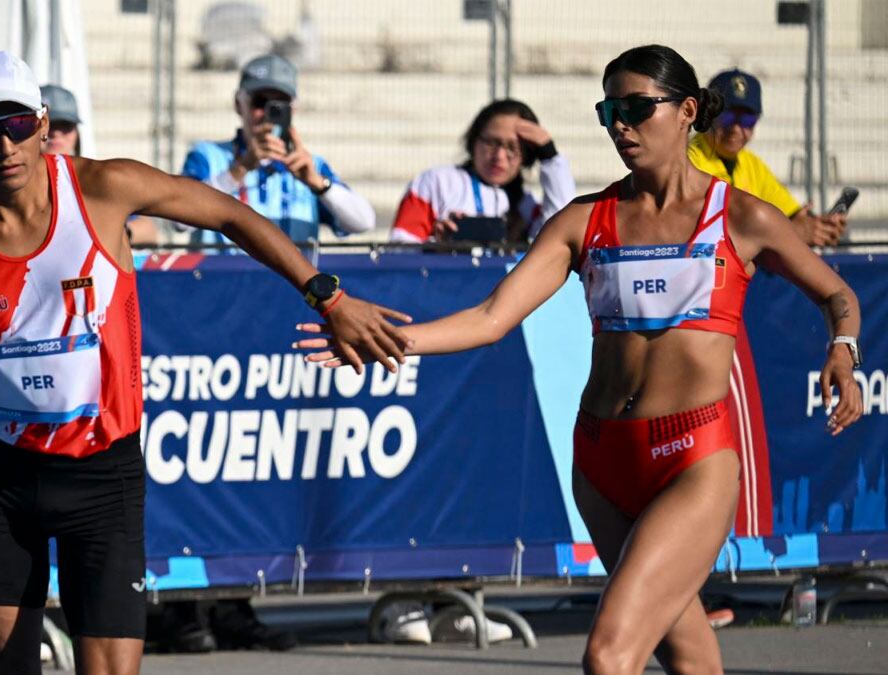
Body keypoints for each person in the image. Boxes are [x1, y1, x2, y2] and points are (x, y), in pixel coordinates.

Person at [0, 51, 410, 675]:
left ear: (44, 127)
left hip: (102, 477)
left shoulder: (104, 189)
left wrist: (329, 295)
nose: (2, 145)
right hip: (3, 480)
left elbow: (229, 213)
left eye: (17, 125)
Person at [296, 44, 864, 673]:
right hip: (601, 461)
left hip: (695, 459)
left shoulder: (741, 215)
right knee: (688, 654)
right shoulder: (584, 219)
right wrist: (384, 341)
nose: (621, 124)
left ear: (687, 111)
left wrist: (844, 349)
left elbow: (837, 294)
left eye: (637, 107)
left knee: (609, 654)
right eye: (609, 110)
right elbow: (491, 318)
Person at [180, 53, 375, 248]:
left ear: (293, 109)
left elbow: (364, 222)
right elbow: (178, 221)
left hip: (290, 279)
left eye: (280, 104)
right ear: (239, 104)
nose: (267, 113)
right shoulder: (207, 156)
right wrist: (238, 171)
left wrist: (318, 184)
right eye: (260, 102)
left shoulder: (312, 166)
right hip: (221, 278)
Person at [688, 68, 845, 247]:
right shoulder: (688, 161)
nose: (736, 129)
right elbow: (713, 236)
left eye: (747, 120)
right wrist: (793, 233)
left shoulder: (751, 164)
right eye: (727, 116)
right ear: (708, 115)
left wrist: (820, 227)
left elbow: (790, 213)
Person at [390, 99, 575, 244]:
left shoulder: (527, 206)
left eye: (512, 147)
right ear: (473, 141)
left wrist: (551, 157)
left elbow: (565, 229)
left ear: (526, 156)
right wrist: (436, 247)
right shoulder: (437, 182)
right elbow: (398, 248)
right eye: (492, 143)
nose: (499, 156)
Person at [42, 82, 158, 246]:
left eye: (66, 126)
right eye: (49, 125)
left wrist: (116, 232)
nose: (56, 134)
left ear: (77, 134)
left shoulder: (94, 177)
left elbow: (149, 231)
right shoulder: (12, 183)